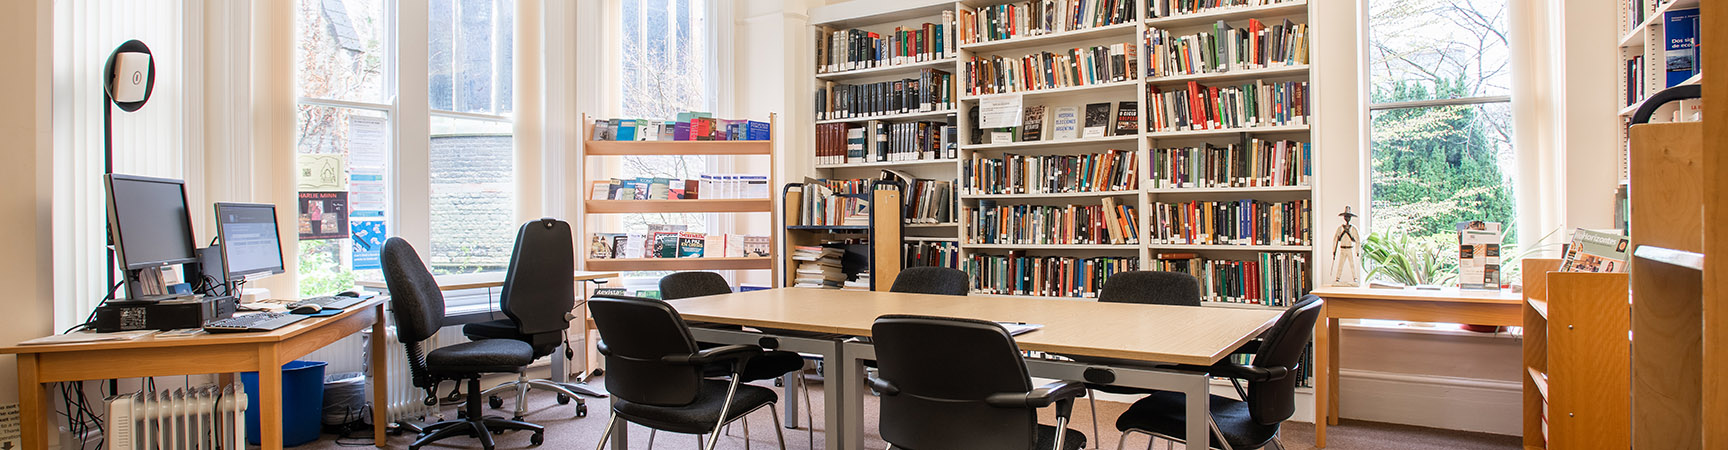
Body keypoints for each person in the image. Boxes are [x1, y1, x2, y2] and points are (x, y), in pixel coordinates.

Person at [1332, 207, 1362, 286]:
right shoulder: (1340, 228)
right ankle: (1337, 278)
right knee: (1340, 264)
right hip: (1342, 248)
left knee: (1352, 264)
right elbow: (1335, 239)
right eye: (1346, 216)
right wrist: (1333, 250)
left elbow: (1358, 240)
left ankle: (1355, 278)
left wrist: (1357, 251)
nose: (1347, 218)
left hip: (1350, 248)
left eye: (1348, 217)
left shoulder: (1353, 229)